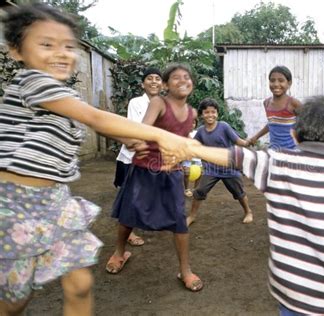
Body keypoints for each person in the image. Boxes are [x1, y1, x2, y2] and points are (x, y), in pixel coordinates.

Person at [0, 4, 198, 315]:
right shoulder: (32, 82)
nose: (61, 53)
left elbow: (92, 121)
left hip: (54, 199)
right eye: (46, 44)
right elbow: (94, 116)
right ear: (16, 50)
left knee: (79, 285)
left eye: (68, 46)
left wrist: (130, 139)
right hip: (17, 204)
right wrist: (156, 138)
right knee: (13, 299)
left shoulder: (64, 95)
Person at [182, 95, 324, 315]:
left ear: (294, 135)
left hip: (286, 287)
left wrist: (191, 149)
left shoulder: (276, 163)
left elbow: (235, 156)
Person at [106, 63, 204, 292]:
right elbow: (143, 128)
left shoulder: (192, 113)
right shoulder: (158, 102)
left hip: (172, 174)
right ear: (166, 84)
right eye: (176, 78)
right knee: (128, 215)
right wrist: (139, 142)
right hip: (143, 171)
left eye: (187, 77)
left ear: (192, 83)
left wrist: (188, 156)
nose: (182, 81)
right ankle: (119, 252)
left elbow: (182, 141)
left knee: (179, 221)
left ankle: (185, 270)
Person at [114, 67, 163, 247]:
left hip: (152, 158)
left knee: (145, 193)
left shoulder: (164, 104)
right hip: (132, 157)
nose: (153, 81)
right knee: (129, 196)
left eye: (157, 78)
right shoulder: (136, 103)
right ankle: (129, 232)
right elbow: (138, 129)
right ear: (143, 84)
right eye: (149, 78)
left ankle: (140, 222)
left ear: (162, 84)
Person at [186, 98, 253, 227]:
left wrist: (247, 143)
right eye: (206, 112)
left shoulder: (224, 126)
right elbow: (194, 146)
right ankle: (192, 216)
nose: (210, 115)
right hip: (211, 169)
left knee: (239, 192)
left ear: (217, 113)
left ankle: (248, 212)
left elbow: (238, 140)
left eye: (213, 112)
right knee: (199, 191)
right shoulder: (200, 131)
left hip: (229, 167)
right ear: (201, 115)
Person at [247, 65, 301, 150]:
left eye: (281, 81)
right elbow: (272, 124)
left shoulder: (293, 103)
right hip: (274, 151)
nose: (276, 84)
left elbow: (306, 124)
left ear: (289, 83)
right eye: (272, 80)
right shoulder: (266, 103)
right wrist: (256, 137)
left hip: (293, 152)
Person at [182, 118, 202, 197]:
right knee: (187, 173)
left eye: (193, 123)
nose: (191, 124)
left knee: (200, 173)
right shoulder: (183, 133)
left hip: (196, 156)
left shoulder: (197, 133)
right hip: (187, 156)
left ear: (196, 124)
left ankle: (195, 189)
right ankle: (186, 189)